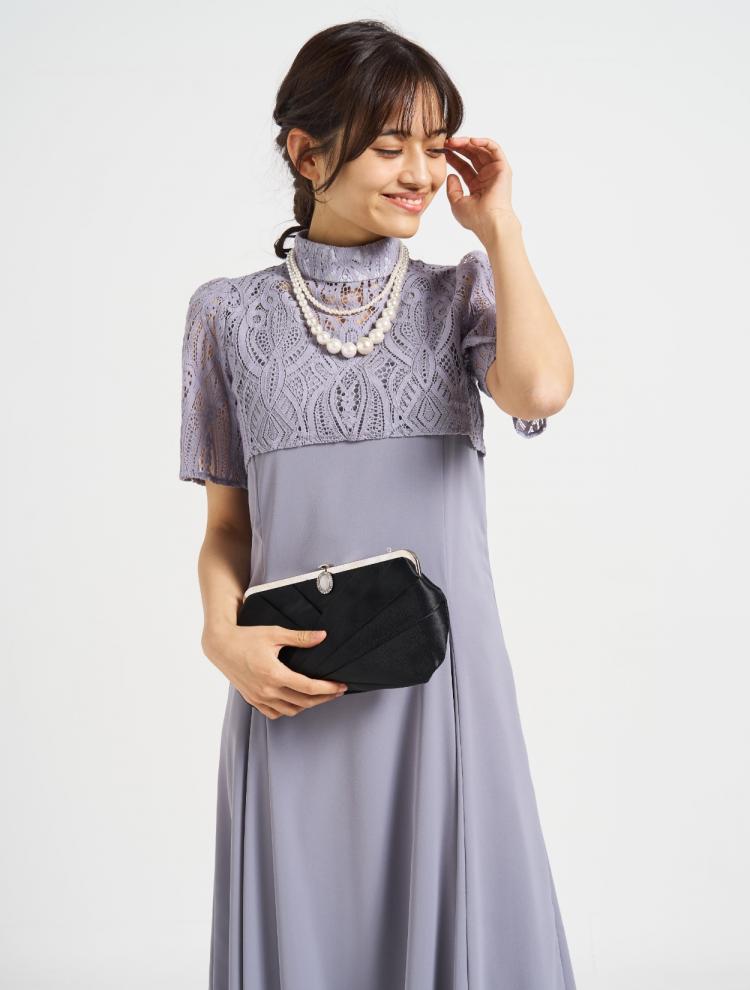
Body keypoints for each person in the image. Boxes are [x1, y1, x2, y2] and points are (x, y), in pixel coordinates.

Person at [179, 19, 576, 990]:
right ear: (307, 153)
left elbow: (541, 389)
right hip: (293, 685)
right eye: (391, 146)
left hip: (442, 688)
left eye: (434, 147)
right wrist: (222, 636)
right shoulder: (226, 314)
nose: (420, 174)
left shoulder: (458, 294)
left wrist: (501, 230)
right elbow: (228, 530)